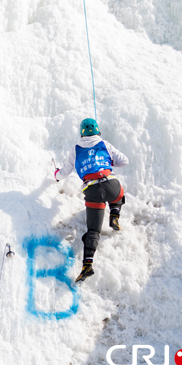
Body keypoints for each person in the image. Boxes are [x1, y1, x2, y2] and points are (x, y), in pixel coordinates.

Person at [54, 118, 128, 283]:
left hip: (93, 191)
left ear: (81, 133)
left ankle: (87, 265)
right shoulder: (104, 144)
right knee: (119, 194)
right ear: (97, 131)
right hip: (111, 184)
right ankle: (114, 215)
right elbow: (124, 160)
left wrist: (56, 175)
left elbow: (65, 171)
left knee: (93, 231)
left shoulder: (76, 149)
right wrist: (109, 162)